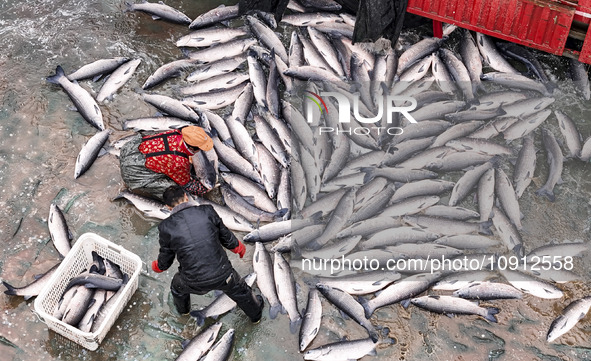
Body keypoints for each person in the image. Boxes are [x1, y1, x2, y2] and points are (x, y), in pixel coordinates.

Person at [151, 185, 264, 323]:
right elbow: (225, 235)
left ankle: (184, 311)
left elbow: (166, 257)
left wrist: (158, 266)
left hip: (192, 281)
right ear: (186, 197)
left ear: (168, 207)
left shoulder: (165, 227)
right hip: (223, 275)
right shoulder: (207, 211)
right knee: (241, 291)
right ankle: (256, 315)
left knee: (177, 287)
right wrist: (238, 248)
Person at [137, 126, 212, 197]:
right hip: (135, 170)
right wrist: (203, 190)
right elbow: (186, 184)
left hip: (135, 148)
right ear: (192, 149)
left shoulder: (175, 132)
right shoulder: (180, 162)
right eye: (200, 149)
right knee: (174, 193)